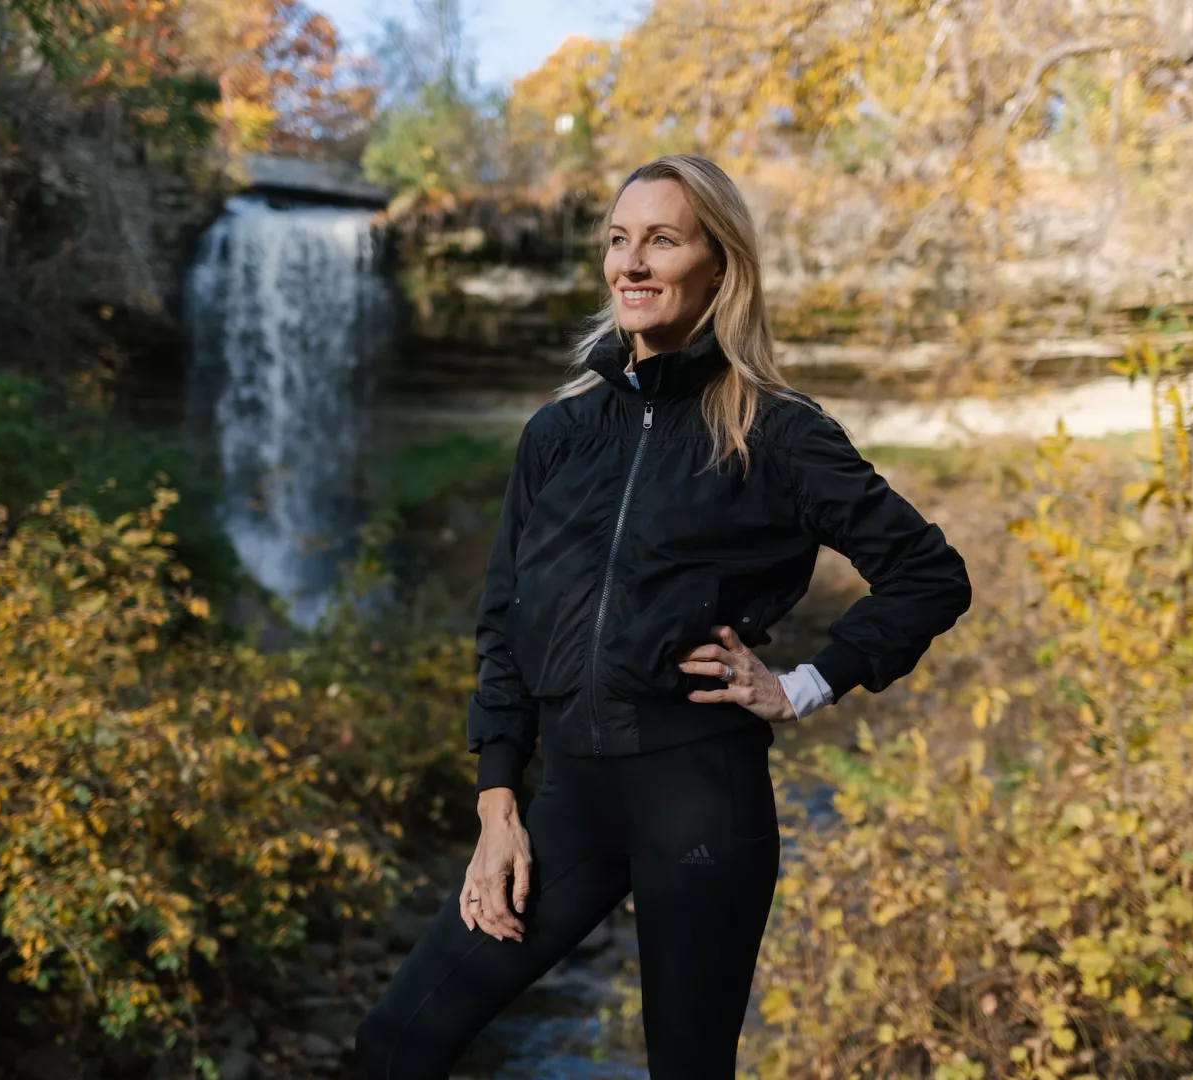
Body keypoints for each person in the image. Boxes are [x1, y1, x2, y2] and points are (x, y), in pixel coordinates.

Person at [353, 154, 971, 1078]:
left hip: (700, 802)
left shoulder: (775, 429)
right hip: (565, 802)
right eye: (617, 240)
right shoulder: (559, 435)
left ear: (718, 265)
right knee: (397, 1044)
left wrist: (805, 685)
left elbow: (929, 575)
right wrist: (496, 805)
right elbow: (502, 625)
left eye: (662, 240)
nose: (631, 264)